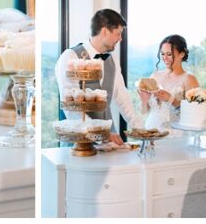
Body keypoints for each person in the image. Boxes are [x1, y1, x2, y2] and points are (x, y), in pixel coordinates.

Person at [54, 9, 143, 145]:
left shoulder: (112, 60)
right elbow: (70, 107)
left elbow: (123, 97)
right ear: (105, 31)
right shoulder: (70, 57)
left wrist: (141, 130)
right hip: (79, 144)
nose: (121, 39)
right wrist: (99, 132)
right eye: (118, 34)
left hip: (109, 144)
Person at [138, 35, 199, 132]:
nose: (164, 58)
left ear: (182, 54)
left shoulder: (189, 79)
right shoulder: (154, 76)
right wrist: (144, 100)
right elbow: (144, 111)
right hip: (151, 130)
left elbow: (195, 113)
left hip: (176, 134)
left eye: (169, 54)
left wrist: (172, 100)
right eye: (162, 54)